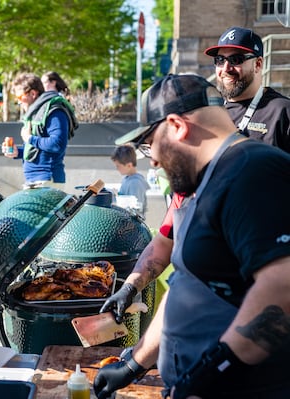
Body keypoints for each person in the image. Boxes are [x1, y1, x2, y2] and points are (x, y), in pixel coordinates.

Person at [95, 74, 290, 398]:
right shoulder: (205, 183)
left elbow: (282, 288)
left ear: (177, 126)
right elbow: (187, 284)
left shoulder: (254, 171)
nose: (153, 160)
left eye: (150, 144)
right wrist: (134, 365)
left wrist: (211, 373)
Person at [205, 26, 290, 152]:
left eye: (236, 60)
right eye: (220, 60)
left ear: (258, 64)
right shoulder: (211, 111)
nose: (226, 68)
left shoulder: (282, 111)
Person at [3, 73, 77, 186]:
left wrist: (29, 138)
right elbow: (38, 151)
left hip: (47, 179)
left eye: (20, 97)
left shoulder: (54, 110)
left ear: (33, 93)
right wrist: (18, 153)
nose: (18, 102)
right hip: (36, 180)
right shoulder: (36, 113)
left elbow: (57, 144)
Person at [110, 144, 150, 216]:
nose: (117, 168)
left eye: (118, 166)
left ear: (129, 165)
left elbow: (136, 209)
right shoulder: (128, 179)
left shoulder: (135, 183)